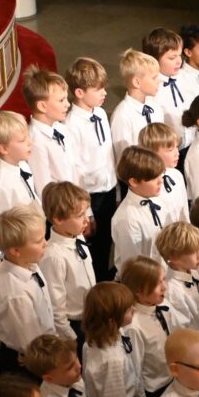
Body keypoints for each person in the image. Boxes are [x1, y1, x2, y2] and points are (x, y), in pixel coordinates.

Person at [0, 204, 76, 377]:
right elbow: (30, 344)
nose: (45, 243)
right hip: (30, 361)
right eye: (38, 241)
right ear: (16, 250)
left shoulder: (28, 263)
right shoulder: (16, 295)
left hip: (44, 343)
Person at [65, 57, 119, 280]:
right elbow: (75, 170)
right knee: (93, 249)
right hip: (90, 197)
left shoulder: (100, 114)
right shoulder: (71, 125)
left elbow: (108, 155)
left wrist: (115, 188)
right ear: (79, 92)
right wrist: (86, 212)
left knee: (107, 243)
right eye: (98, 89)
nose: (104, 93)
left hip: (108, 191)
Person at [39, 181, 95, 346]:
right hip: (74, 325)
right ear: (58, 219)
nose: (86, 220)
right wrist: (70, 338)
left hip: (90, 316)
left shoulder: (77, 236)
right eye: (79, 215)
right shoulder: (53, 256)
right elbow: (56, 306)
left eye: (86, 213)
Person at [81, 281, 148, 397]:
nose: (134, 309)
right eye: (128, 309)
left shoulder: (112, 333)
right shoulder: (112, 361)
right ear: (111, 321)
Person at [123, 256, 178, 397]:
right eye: (157, 283)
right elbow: (136, 372)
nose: (164, 287)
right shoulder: (133, 326)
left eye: (164, 279)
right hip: (154, 391)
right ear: (138, 290)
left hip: (172, 379)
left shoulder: (163, 305)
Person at [112, 146, 170, 272]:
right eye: (154, 178)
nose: (160, 181)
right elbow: (133, 266)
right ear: (134, 181)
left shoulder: (157, 198)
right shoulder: (127, 218)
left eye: (161, 175)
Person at [24, 65, 76, 192]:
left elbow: (74, 168)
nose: (68, 104)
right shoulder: (35, 141)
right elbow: (43, 188)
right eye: (61, 100)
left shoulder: (61, 128)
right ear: (42, 106)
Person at [156, 221, 199, 335]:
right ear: (174, 257)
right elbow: (184, 327)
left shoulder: (194, 273)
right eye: (193, 252)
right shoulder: (172, 290)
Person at [142, 28, 190, 153]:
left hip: (191, 143)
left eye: (179, 55)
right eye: (172, 58)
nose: (179, 61)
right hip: (169, 149)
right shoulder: (152, 91)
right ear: (154, 59)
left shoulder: (184, 77)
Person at [110, 50, 163, 161]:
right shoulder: (122, 116)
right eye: (154, 78)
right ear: (137, 82)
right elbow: (124, 157)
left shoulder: (155, 107)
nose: (160, 81)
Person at [0, 111, 40, 214]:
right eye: (22, 140)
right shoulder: (0, 186)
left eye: (28, 136)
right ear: (4, 149)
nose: (30, 142)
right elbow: (5, 221)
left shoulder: (22, 164)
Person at [140, 123, 190, 224]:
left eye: (177, 147)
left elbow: (184, 212)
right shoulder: (147, 186)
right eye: (170, 150)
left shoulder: (177, 175)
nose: (177, 153)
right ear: (152, 153)